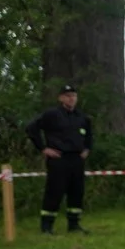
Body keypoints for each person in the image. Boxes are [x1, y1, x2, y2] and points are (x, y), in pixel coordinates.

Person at [25, 84, 92, 234]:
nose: (71, 99)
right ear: (61, 98)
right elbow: (31, 128)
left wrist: (87, 149)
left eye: (74, 96)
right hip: (59, 159)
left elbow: (89, 136)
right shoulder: (52, 114)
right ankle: (47, 226)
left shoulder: (82, 117)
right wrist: (43, 148)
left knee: (77, 192)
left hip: (77, 159)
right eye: (68, 96)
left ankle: (74, 224)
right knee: (54, 191)